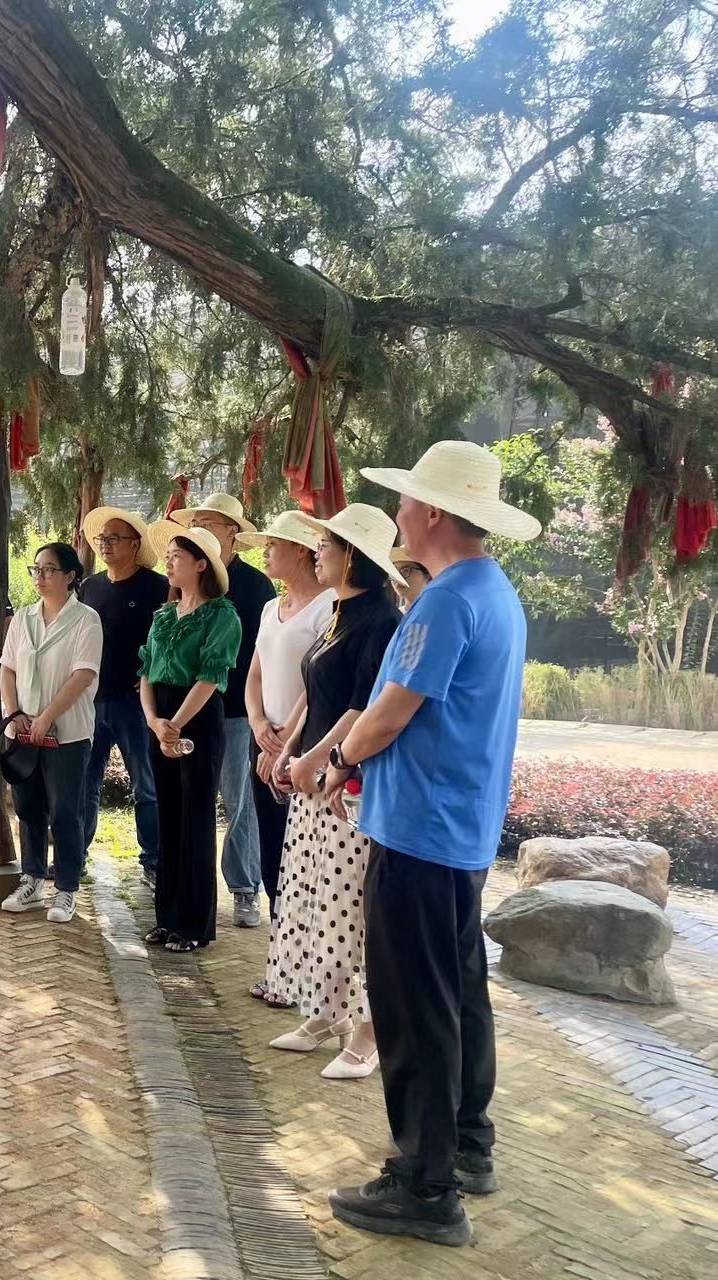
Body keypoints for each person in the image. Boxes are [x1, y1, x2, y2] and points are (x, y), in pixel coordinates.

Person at [324, 441, 541, 1247]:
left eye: (407, 501)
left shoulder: (446, 600)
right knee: (456, 994)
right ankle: (465, 1143)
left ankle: (424, 1185)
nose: (399, 513)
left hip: (418, 829)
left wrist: (339, 760)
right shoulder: (493, 590)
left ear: (434, 514)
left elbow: (391, 711)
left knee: (413, 1007)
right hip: (458, 829)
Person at [263, 505, 401, 1081]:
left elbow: (361, 706)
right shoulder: (336, 613)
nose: (316, 552)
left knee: (350, 907)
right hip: (313, 778)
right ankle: (326, 1012)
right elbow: (313, 695)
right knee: (315, 898)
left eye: (326, 544)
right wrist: (288, 751)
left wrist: (317, 759)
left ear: (352, 556)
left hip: (348, 783)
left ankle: (368, 1033)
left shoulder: (381, 620)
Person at [170, 494, 275, 927]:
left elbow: (261, 656)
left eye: (209, 523)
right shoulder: (183, 581)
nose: (199, 528)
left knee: (239, 801)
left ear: (232, 532)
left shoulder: (255, 587)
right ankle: (181, 888)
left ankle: (245, 888)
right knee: (185, 801)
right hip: (184, 712)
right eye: (195, 522)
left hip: (234, 712)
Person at [139, 523, 241, 952]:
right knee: (168, 815)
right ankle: (167, 917)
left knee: (196, 818)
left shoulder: (222, 615)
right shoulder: (163, 615)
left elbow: (210, 677)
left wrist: (175, 724)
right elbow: (146, 672)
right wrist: (154, 721)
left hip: (196, 719)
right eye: (168, 556)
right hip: (161, 717)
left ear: (201, 565)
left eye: (177, 556)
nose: (168, 562)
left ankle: (194, 924)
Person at [237, 511, 334, 940]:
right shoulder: (268, 608)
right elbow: (254, 674)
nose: (266, 552)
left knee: (302, 851)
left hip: (302, 745)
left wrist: (283, 743)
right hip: (264, 738)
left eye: (274, 544)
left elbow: (317, 685)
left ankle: (301, 943)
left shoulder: (329, 606)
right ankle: (281, 940)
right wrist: (259, 723)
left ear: (300, 550)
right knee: (271, 845)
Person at [0, 543, 102, 924]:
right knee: (28, 808)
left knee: (65, 812)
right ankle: (32, 879)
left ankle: (66, 888)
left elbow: (83, 675)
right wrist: (14, 713)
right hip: (23, 731)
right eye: (36, 569)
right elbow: (7, 667)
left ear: (71, 576)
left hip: (68, 733)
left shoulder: (86, 620)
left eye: (49, 570)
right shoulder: (24, 618)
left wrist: (47, 716)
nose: (40, 577)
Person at [77, 506, 168, 886]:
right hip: (91, 700)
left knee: (146, 786)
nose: (106, 544)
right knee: (85, 785)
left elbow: (168, 639)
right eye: (102, 538)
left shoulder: (158, 587)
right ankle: (75, 857)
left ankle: (153, 861)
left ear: (135, 545)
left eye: (114, 538)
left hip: (136, 705)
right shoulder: (89, 587)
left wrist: (152, 677)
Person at [391, 547, 431, 612]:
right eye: (395, 572)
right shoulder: (394, 615)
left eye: (405, 570)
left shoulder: (437, 612)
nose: (398, 578)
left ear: (427, 574)